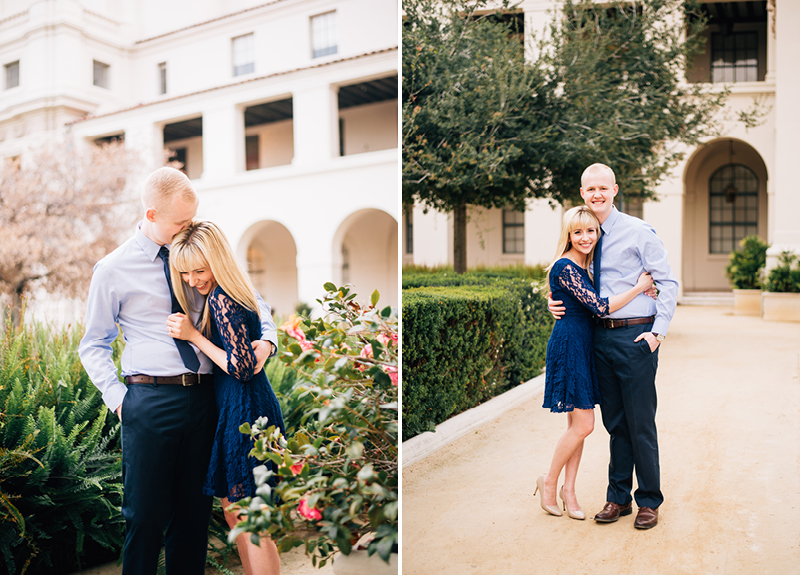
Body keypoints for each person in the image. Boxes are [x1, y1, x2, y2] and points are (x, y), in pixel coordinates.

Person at [79, 167, 278, 575]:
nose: (190, 227)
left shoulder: (199, 253)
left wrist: (269, 340)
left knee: (192, 519)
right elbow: (93, 344)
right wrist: (120, 402)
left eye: (192, 218)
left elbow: (255, 300)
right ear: (152, 215)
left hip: (207, 398)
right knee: (145, 517)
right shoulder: (113, 269)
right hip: (149, 401)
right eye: (181, 222)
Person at [548, 163, 678, 530]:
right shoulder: (585, 234)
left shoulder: (638, 231)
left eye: (603, 188)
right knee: (615, 424)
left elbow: (667, 282)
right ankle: (617, 498)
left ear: (615, 190)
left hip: (635, 336)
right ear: (582, 193)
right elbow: (569, 278)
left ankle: (649, 501)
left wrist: (658, 333)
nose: (598, 195)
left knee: (640, 423)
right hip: (597, 337)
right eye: (591, 189)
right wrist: (552, 302)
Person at [166, 220, 285, 575]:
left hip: (244, 409)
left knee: (251, 520)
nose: (192, 280)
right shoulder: (230, 291)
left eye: (199, 270)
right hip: (243, 406)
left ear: (217, 260)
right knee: (239, 515)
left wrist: (193, 336)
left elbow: (242, 367)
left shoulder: (222, 298)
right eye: (184, 273)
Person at [535, 205, 653, 521]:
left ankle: (568, 490)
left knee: (578, 427)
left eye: (591, 231)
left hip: (586, 345)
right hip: (570, 345)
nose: (585, 237)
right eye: (578, 232)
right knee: (584, 424)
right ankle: (549, 482)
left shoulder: (585, 266)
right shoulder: (566, 267)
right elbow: (600, 307)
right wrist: (640, 287)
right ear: (568, 235)